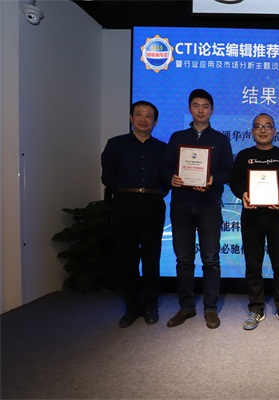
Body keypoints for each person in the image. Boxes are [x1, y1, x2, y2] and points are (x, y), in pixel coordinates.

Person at [163, 89, 234, 329]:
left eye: (205, 106)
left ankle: (210, 308)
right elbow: (165, 168)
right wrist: (171, 177)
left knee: (211, 259)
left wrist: (214, 179)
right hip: (181, 206)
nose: (200, 110)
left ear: (212, 110)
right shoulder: (177, 137)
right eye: (196, 105)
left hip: (209, 206)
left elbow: (229, 171)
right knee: (184, 259)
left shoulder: (221, 140)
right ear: (189, 108)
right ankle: (186, 306)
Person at [101, 100, 168, 328]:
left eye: (148, 116)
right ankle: (131, 307)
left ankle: (150, 306)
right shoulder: (115, 145)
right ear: (131, 118)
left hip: (153, 204)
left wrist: (160, 191)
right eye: (139, 114)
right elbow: (107, 177)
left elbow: (167, 178)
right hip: (124, 204)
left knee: (151, 258)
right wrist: (123, 191)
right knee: (127, 258)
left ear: (155, 122)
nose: (143, 119)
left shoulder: (163, 148)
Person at [229, 113, 279, 331]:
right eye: (258, 126)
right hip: (251, 218)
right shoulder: (244, 155)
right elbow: (234, 181)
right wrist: (243, 194)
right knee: (253, 265)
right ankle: (256, 308)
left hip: (277, 217)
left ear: (274, 131)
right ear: (252, 131)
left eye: (267, 126)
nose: (263, 130)